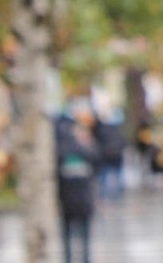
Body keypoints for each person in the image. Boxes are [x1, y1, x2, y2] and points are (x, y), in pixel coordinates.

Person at [55, 106, 100, 263]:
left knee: (81, 235)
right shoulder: (78, 150)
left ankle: (82, 259)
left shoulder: (65, 150)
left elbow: (96, 163)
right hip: (72, 200)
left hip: (80, 199)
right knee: (72, 235)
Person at [94, 114, 126, 200]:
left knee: (104, 176)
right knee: (118, 175)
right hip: (116, 155)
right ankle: (117, 195)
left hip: (106, 156)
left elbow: (98, 144)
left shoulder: (101, 131)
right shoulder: (117, 130)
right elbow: (123, 141)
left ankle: (104, 195)